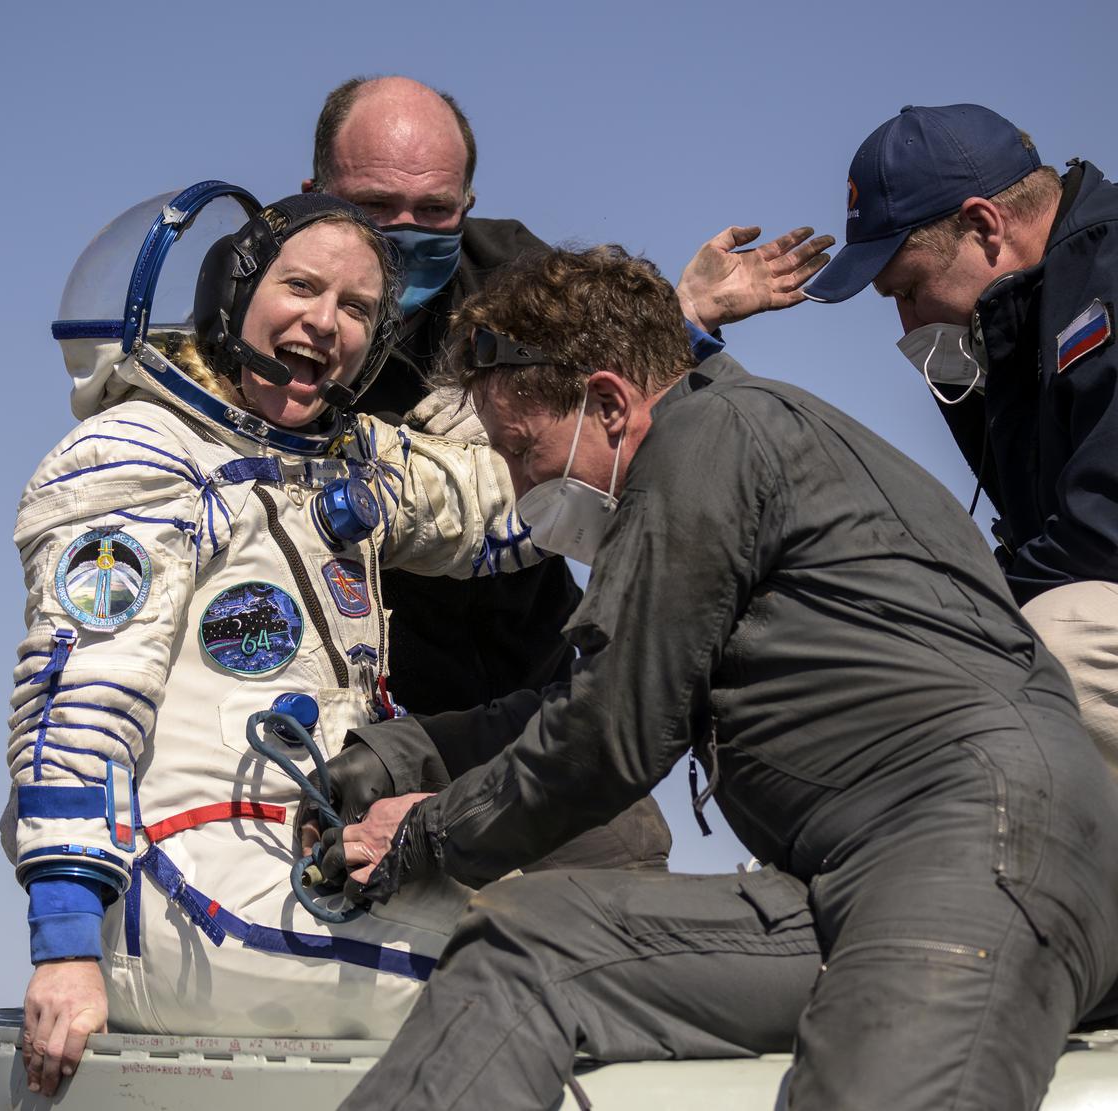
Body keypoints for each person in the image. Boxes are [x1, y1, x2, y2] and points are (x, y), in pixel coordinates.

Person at [316, 244, 1118, 1110]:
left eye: (519, 451)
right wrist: (409, 753)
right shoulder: (726, 457)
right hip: (854, 880)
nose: (516, 490)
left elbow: (605, 737)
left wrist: (427, 832)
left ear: (611, 404)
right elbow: (597, 695)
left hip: (976, 851)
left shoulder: (712, 440)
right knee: (529, 943)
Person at [5, 185, 543, 1097]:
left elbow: (500, 496)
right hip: (179, 880)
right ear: (235, 294)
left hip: (313, 858)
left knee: (568, 934)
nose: (325, 322)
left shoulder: (345, 458)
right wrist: (65, 947)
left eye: (358, 307)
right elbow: (83, 697)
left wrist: (663, 363)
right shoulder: (141, 452)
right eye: (301, 287)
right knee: (526, 979)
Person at [303, 74, 831, 871]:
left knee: (619, 876)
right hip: (361, 699)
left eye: (436, 211)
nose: (406, 231)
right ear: (315, 194)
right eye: (376, 206)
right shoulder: (271, 308)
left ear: (468, 203)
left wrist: (680, 318)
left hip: (530, 674)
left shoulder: (511, 275)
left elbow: (619, 396)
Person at [802, 103, 1118, 778]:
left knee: (1053, 643)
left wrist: (934, 619)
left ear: (984, 224)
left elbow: (1105, 531)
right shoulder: (1026, 314)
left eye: (910, 289)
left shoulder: (1108, 272)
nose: (906, 319)